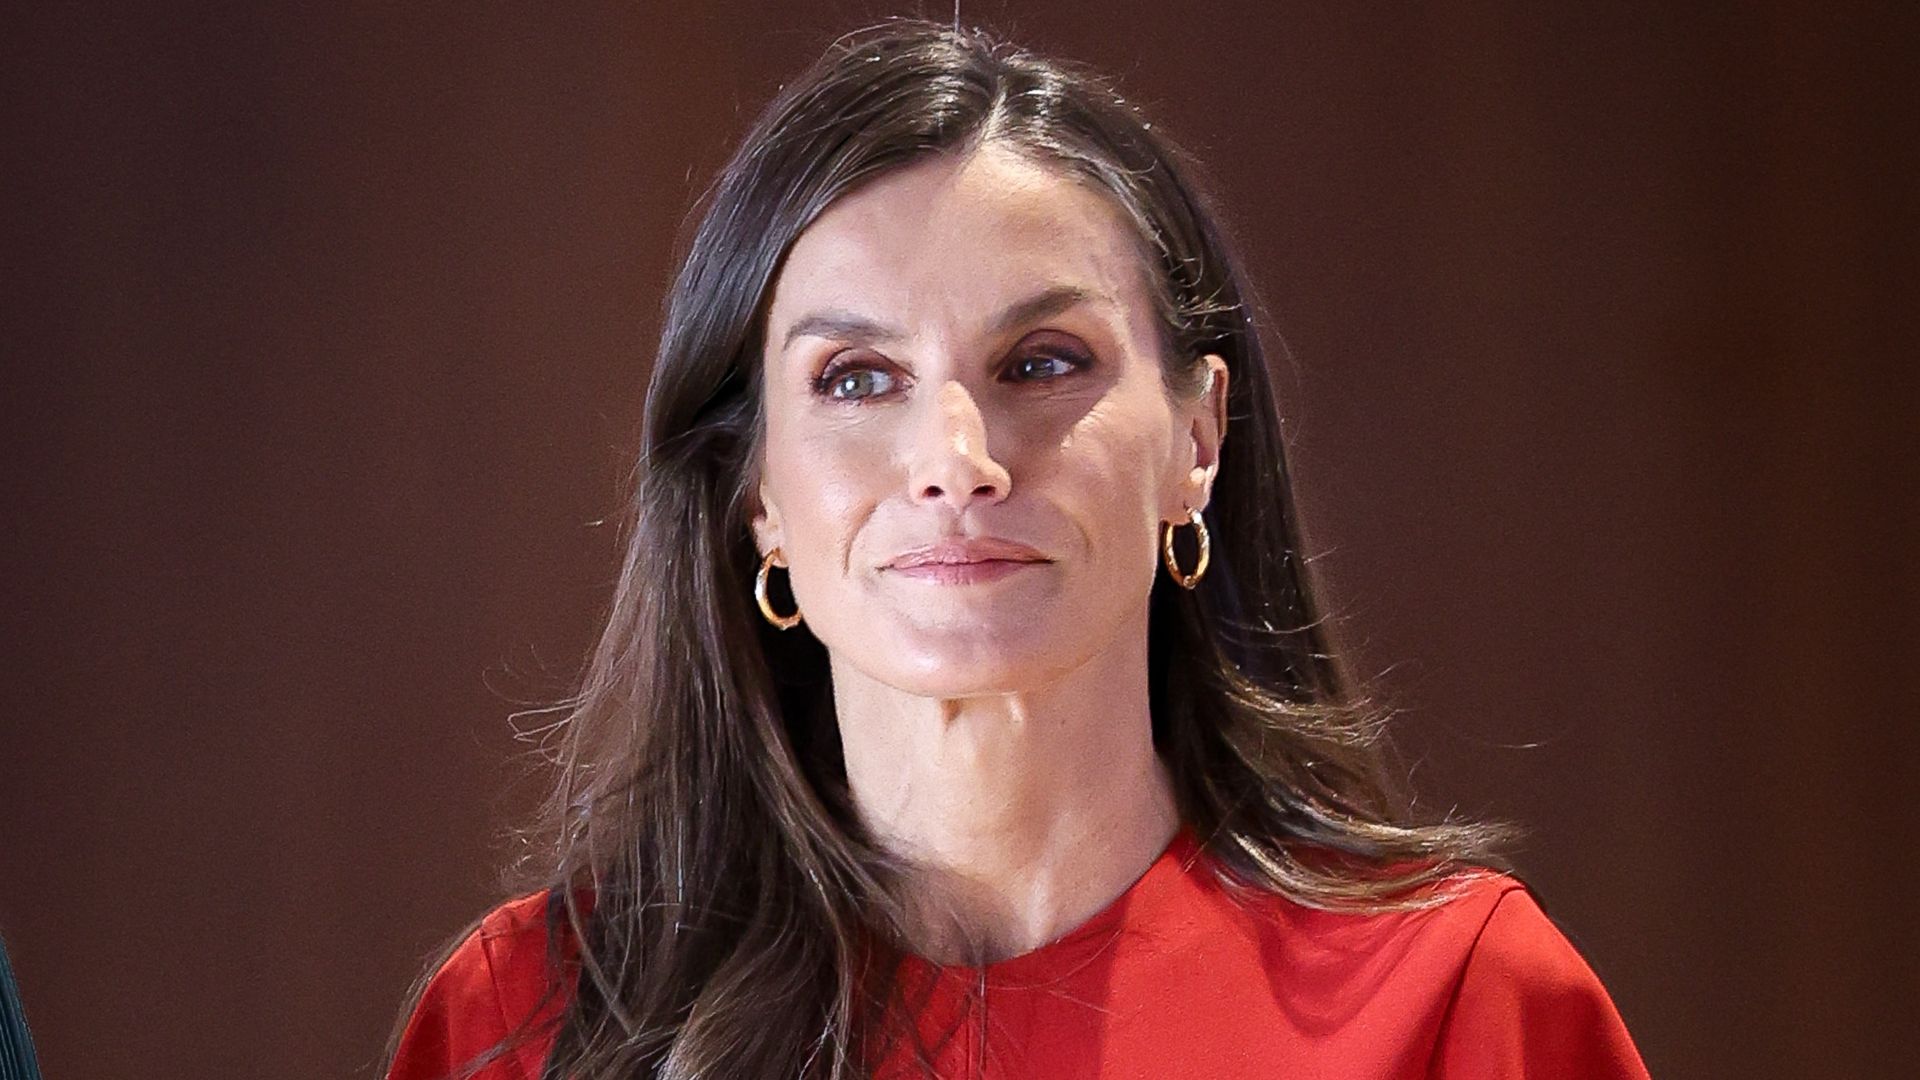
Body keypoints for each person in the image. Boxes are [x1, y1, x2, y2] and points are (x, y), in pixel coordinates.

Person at [385, 20, 1650, 1080]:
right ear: (755, 489)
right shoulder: (525, 1022)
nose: (956, 456)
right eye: (857, 377)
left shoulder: (1458, 998)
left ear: (1196, 440)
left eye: (1043, 364)